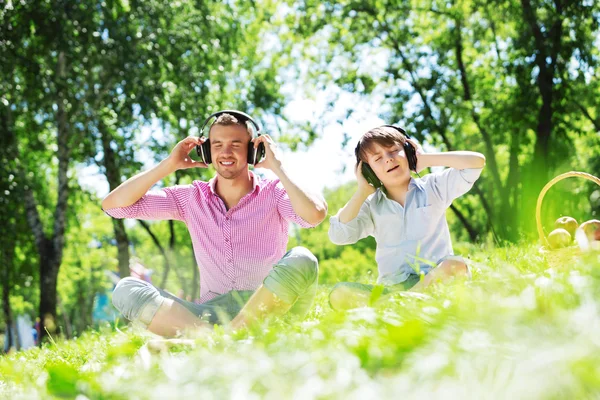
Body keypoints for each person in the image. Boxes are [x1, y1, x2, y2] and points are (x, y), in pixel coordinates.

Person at [102, 111, 327, 336]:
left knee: (302, 257)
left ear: (253, 151)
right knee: (126, 290)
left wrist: (278, 166)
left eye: (236, 144)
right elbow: (114, 206)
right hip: (209, 315)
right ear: (207, 152)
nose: (226, 152)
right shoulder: (191, 198)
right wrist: (168, 165)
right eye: (217, 145)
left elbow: (314, 214)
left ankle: (222, 338)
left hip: (269, 308)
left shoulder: (274, 192)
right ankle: (221, 337)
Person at [328, 125, 485, 310]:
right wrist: (361, 192)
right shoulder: (370, 206)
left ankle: (396, 306)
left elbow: (477, 162)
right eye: (378, 159)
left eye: (394, 151)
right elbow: (338, 235)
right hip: (390, 289)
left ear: (409, 153)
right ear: (369, 171)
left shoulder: (434, 186)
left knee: (456, 265)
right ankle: (405, 302)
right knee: (339, 293)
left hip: (435, 280)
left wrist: (426, 159)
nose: (389, 160)